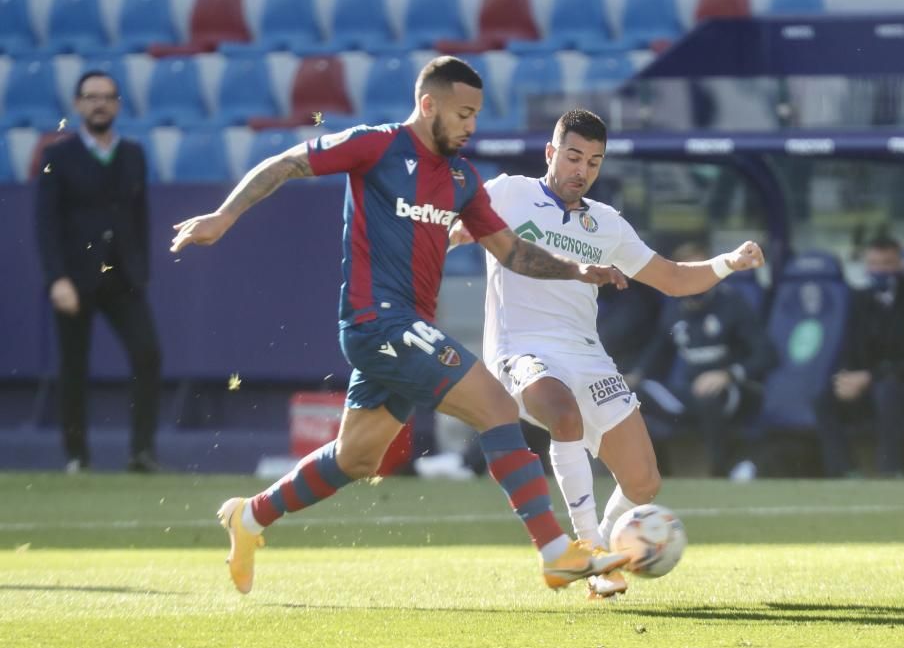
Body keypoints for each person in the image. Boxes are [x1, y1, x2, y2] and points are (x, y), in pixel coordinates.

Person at [169, 57, 630, 594]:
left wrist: (577, 268)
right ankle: (556, 552)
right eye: (462, 114)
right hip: (377, 322)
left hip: (407, 329)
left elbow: (510, 251)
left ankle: (248, 517)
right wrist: (224, 216)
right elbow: (289, 162)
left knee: (357, 457)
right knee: (498, 408)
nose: (470, 126)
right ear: (428, 104)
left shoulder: (461, 178)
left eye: (476, 115)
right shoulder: (377, 146)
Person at [449, 109, 765, 599]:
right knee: (562, 413)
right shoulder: (509, 192)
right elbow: (452, 225)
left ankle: (607, 548)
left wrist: (729, 262)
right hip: (522, 348)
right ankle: (590, 550)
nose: (582, 169)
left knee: (644, 482)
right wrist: (453, 234)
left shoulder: (607, 224)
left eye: (594, 161)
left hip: (587, 356)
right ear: (551, 153)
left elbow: (674, 279)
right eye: (573, 156)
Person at [35, 70, 161, 474]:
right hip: (74, 278)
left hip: (122, 277)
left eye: (107, 96)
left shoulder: (133, 155)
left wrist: (141, 269)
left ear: (118, 104)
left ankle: (141, 453)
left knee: (147, 354)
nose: (99, 103)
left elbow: (139, 215)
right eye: (91, 97)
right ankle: (77, 456)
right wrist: (56, 278)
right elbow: (46, 222)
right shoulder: (58, 156)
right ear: (77, 105)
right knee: (74, 368)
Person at [625, 242, 778, 479]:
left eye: (701, 269)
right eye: (689, 270)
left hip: (734, 390)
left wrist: (727, 374)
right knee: (632, 396)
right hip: (689, 394)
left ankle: (720, 473)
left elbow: (767, 354)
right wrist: (636, 375)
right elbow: (659, 350)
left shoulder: (732, 303)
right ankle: (658, 474)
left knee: (709, 397)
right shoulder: (674, 310)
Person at [813, 235, 904, 478]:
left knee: (888, 391)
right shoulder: (859, 299)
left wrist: (870, 377)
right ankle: (844, 472)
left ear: (900, 264)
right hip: (871, 384)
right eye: (874, 264)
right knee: (824, 398)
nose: (880, 270)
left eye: (887, 263)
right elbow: (848, 348)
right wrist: (846, 378)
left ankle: (891, 471)